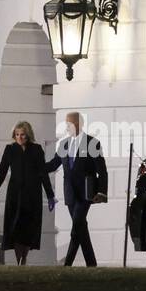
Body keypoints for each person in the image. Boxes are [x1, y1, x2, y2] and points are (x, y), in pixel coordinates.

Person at [0, 121, 56, 265]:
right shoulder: (10, 149)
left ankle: (23, 258)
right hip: (15, 194)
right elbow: (2, 171)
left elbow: (43, 174)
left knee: (28, 228)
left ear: (28, 135)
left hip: (32, 194)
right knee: (15, 227)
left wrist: (50, 195)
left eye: (22, 135)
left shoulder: (37, 150)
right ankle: (19, 259)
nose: (19, 137)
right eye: (17, 135)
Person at [51, 111, 108, 267]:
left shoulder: (92, 143)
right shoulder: (63, 144)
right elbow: (53, 164)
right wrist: (35, 167)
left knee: (77, 225)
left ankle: (67, 264)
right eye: (67, 123)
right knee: (81, 227)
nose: (67, 126)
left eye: (70, 123)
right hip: (70, 193)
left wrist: (102, 192)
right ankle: (92, 264)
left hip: (86, 193)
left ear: (79, 124)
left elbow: (102, 170)